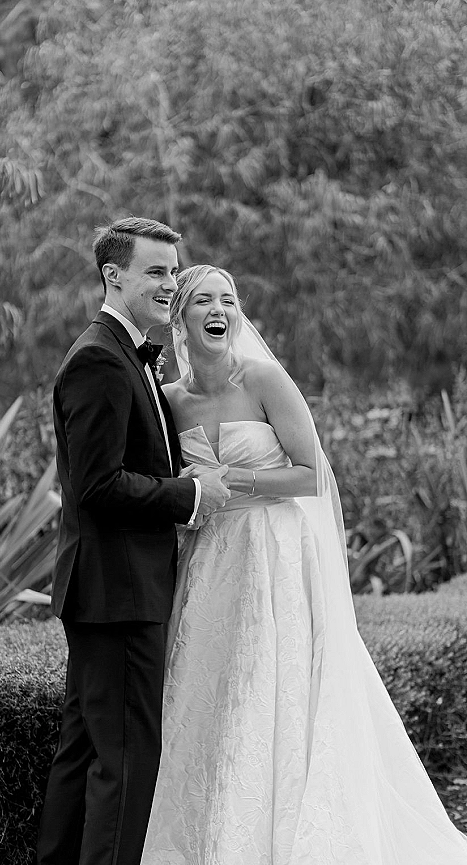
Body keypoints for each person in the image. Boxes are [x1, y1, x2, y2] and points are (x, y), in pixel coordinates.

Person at [141, 264, 467, 864]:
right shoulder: (170, 401)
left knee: (275, 678)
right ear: (181, 319)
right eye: (203, 301)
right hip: (213, 558)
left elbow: (312, 474)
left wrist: (230, 477)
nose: (219, 309)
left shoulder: (263, 378)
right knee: (210, 688)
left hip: (273, 550)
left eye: (228, 300)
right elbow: (171, 487)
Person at [36, 223, 230, 865]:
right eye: (155, 272)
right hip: (118, 593)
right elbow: (97, 486)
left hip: (114, 590)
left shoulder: (128, 354)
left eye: (173, 272)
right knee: (126, 759)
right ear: (114, 277)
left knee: (86, 752)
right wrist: (188, 495)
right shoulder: (100, 357)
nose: (169, 284)